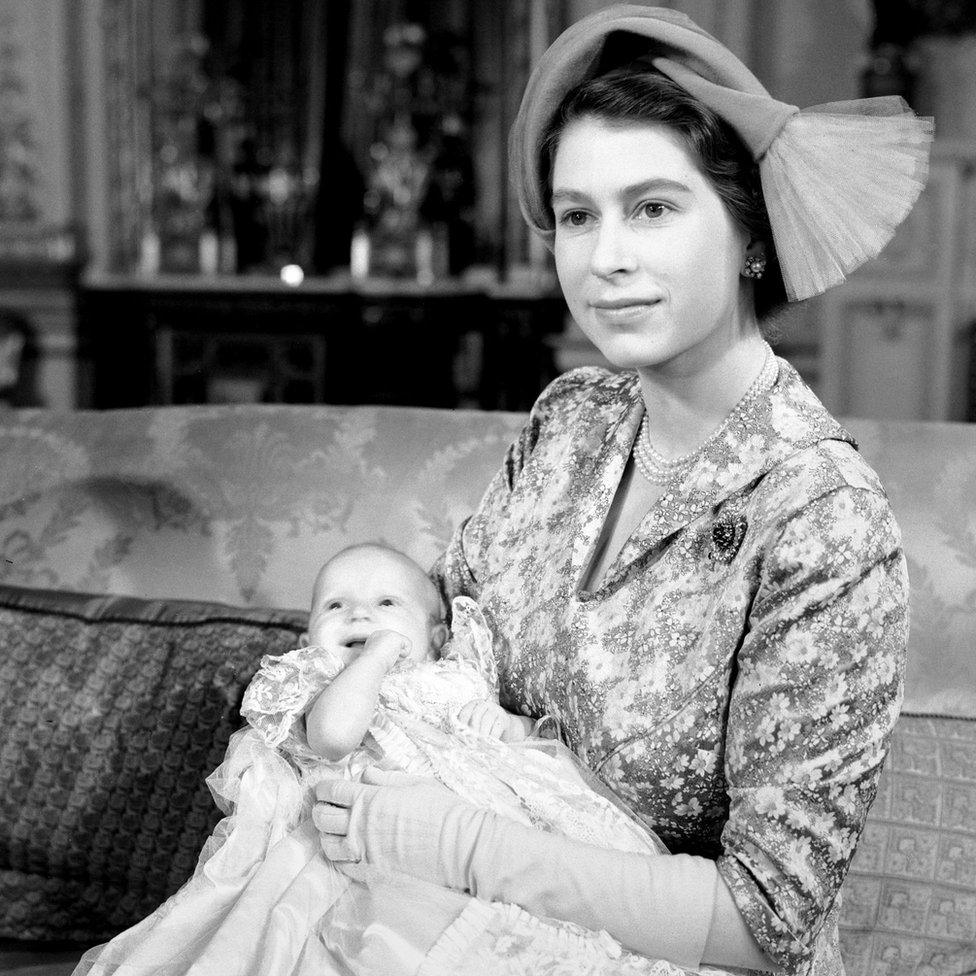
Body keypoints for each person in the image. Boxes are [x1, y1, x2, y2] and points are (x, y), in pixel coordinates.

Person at [313, 6, 931, 976]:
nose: (605, 257)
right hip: (452, 921)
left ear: (751, 237)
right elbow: (442, 634)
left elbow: (765, 921)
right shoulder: (571, 419)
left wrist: (455, 840)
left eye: (652, 207)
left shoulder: (820, 518)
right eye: (576, 214)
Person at [73, 542, 676, 976]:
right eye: (334, 606)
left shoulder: (456, 677)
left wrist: (508, 725)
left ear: (438, 639)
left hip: (481, 827)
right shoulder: (320, 679)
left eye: (387, 603)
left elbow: (521, 745)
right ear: (308, 635)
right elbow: (333, 739)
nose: (358, 615)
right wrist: (373, 658)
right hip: (359, 843)